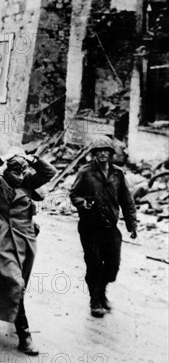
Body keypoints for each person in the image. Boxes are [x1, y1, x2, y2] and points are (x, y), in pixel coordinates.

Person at [0, 147, 56, 356]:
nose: (19, 177)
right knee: (15, 284)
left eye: (22, 171)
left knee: (18, 284)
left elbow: (50, 172)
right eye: (15, 171)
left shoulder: (28, 182)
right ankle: (25, 335)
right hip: (3, 240)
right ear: (6, 171)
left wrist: (32, 159)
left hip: (26, 240)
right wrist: (4, 156)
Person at [70, 136, 138, 318]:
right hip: (90, 227)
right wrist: (83, 203)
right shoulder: (86, 173)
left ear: (110, 153)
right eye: (98, 151)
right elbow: (74, 194)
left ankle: (101, 291)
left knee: (113, 266)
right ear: (93, 154)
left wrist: (132, 224)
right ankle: (95, 300)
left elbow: (127, 200)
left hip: (110, 227)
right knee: (94, 264)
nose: (102, 154)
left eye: (105, 151)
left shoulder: (118, 174)